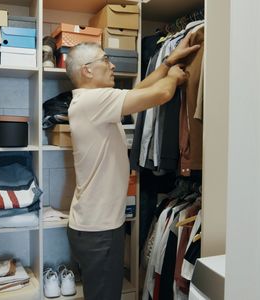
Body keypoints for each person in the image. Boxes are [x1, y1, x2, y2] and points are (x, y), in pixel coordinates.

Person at [64, 32, 200, 300]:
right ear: (87, 70)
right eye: (106, 60)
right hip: (98, 230)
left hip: (98, 225)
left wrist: (167, 61)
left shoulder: (93, 101)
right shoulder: (92, 101)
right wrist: (173, 75)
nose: (112, 65)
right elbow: (160, 94)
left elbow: (138, 92)